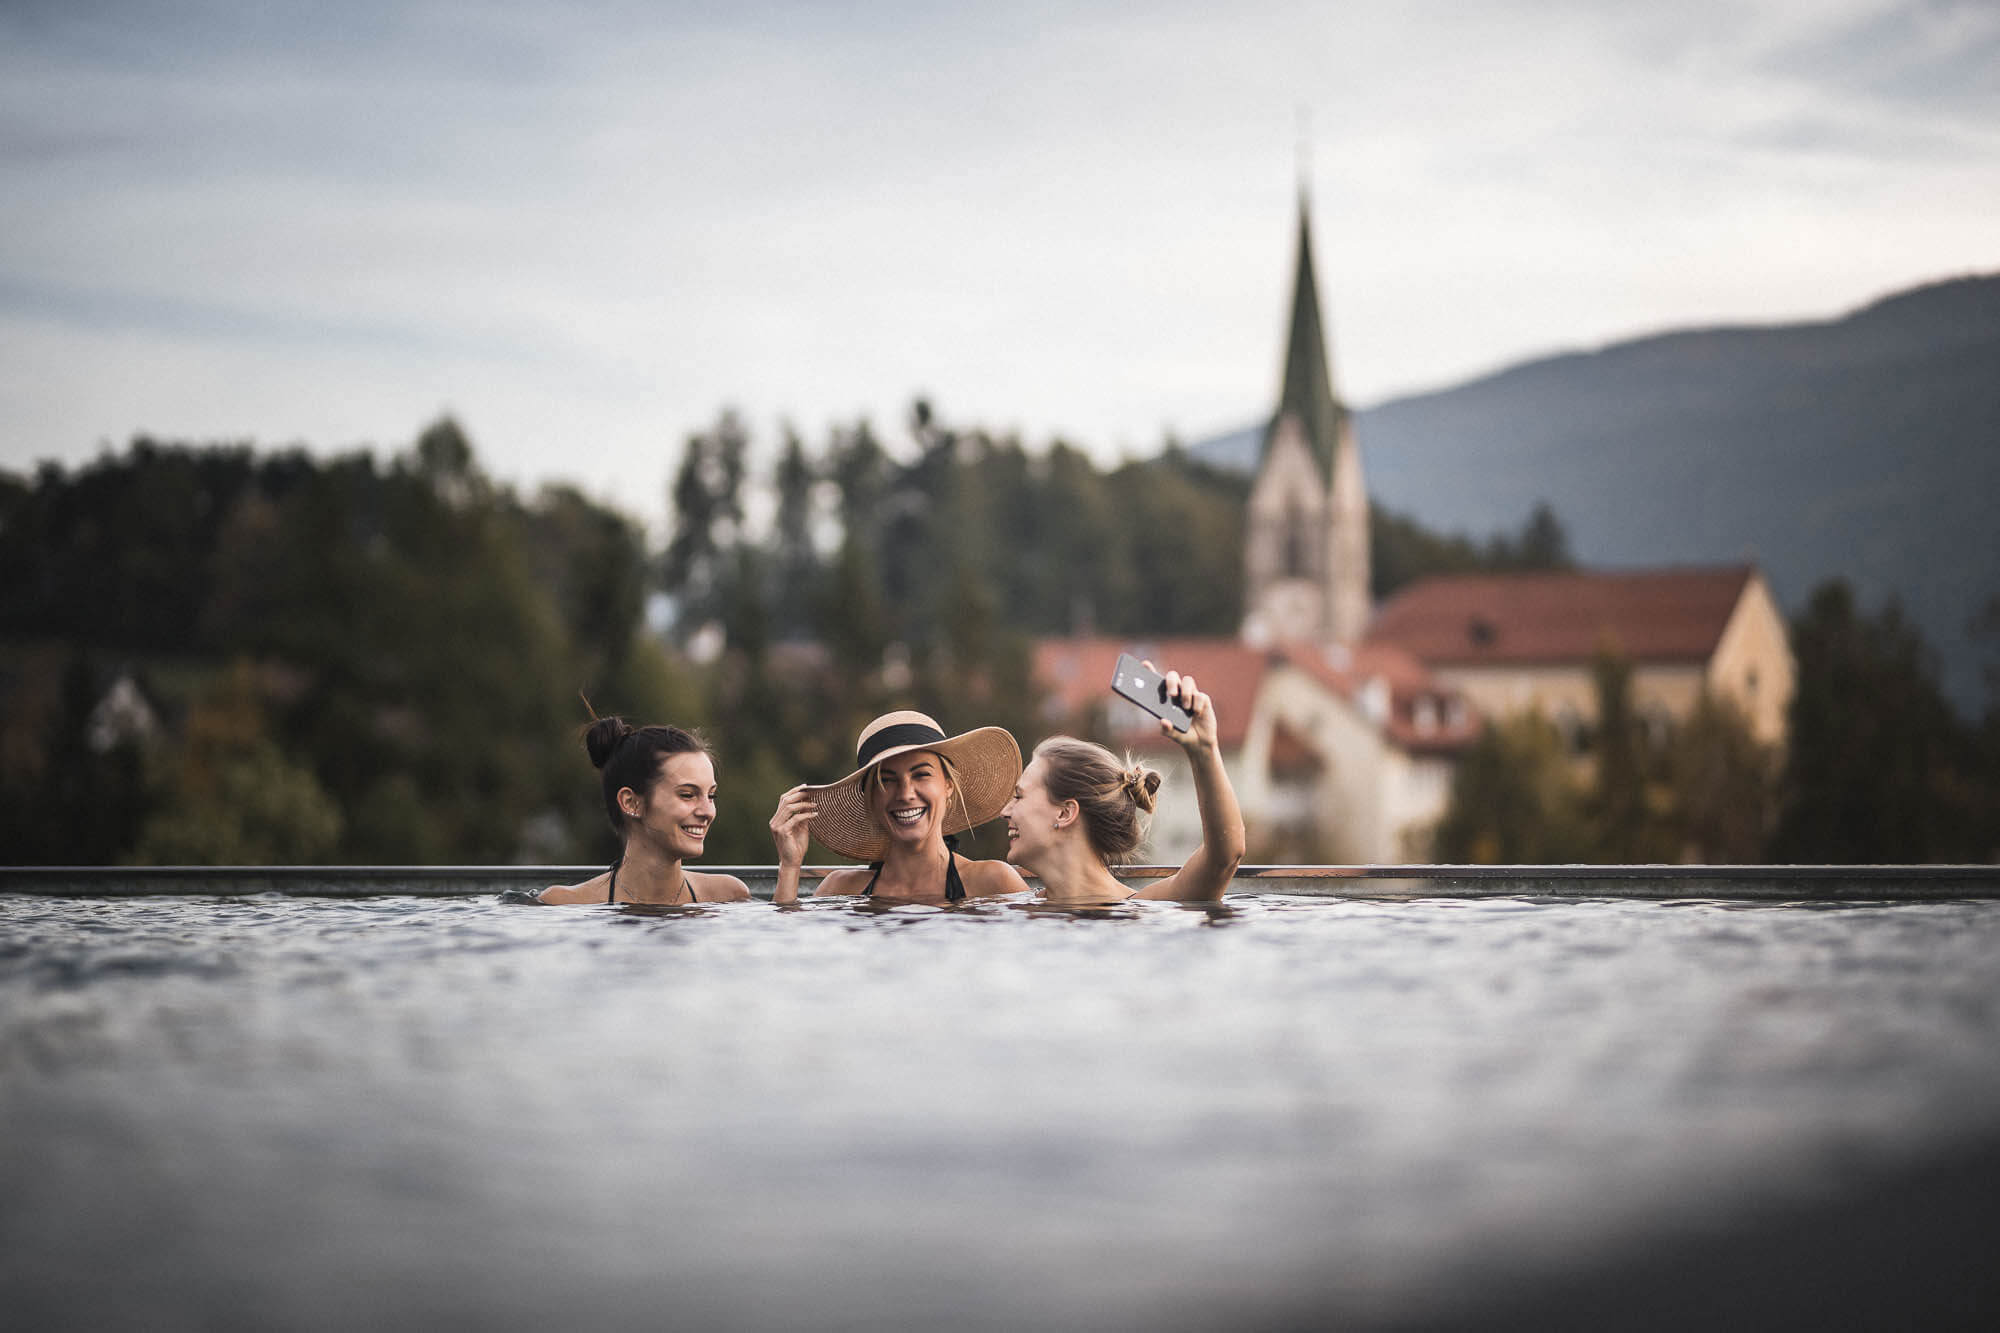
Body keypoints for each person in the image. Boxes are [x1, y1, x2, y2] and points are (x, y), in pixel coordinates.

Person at [1001, 665, 1245, 904]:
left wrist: (1205, 750)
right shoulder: (1003, 898)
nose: (1005, 811)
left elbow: (1223, 860)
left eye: (1019, 796)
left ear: (1065, 812)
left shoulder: (1141, 911)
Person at [769, 710, 1031, 904]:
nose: (906, 794)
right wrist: (789, 867)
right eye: (887, 781)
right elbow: (787, 959)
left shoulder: (993, 882)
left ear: (948, 785)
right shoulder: (840, 889)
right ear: (870, 799)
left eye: (921, 775)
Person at [542, 717, 751, 905]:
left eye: (711, 796)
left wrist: (786, 867)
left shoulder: (728, 895)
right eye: (687, 795)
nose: (708, 812)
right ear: (631, 803)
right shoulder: (564, 904)